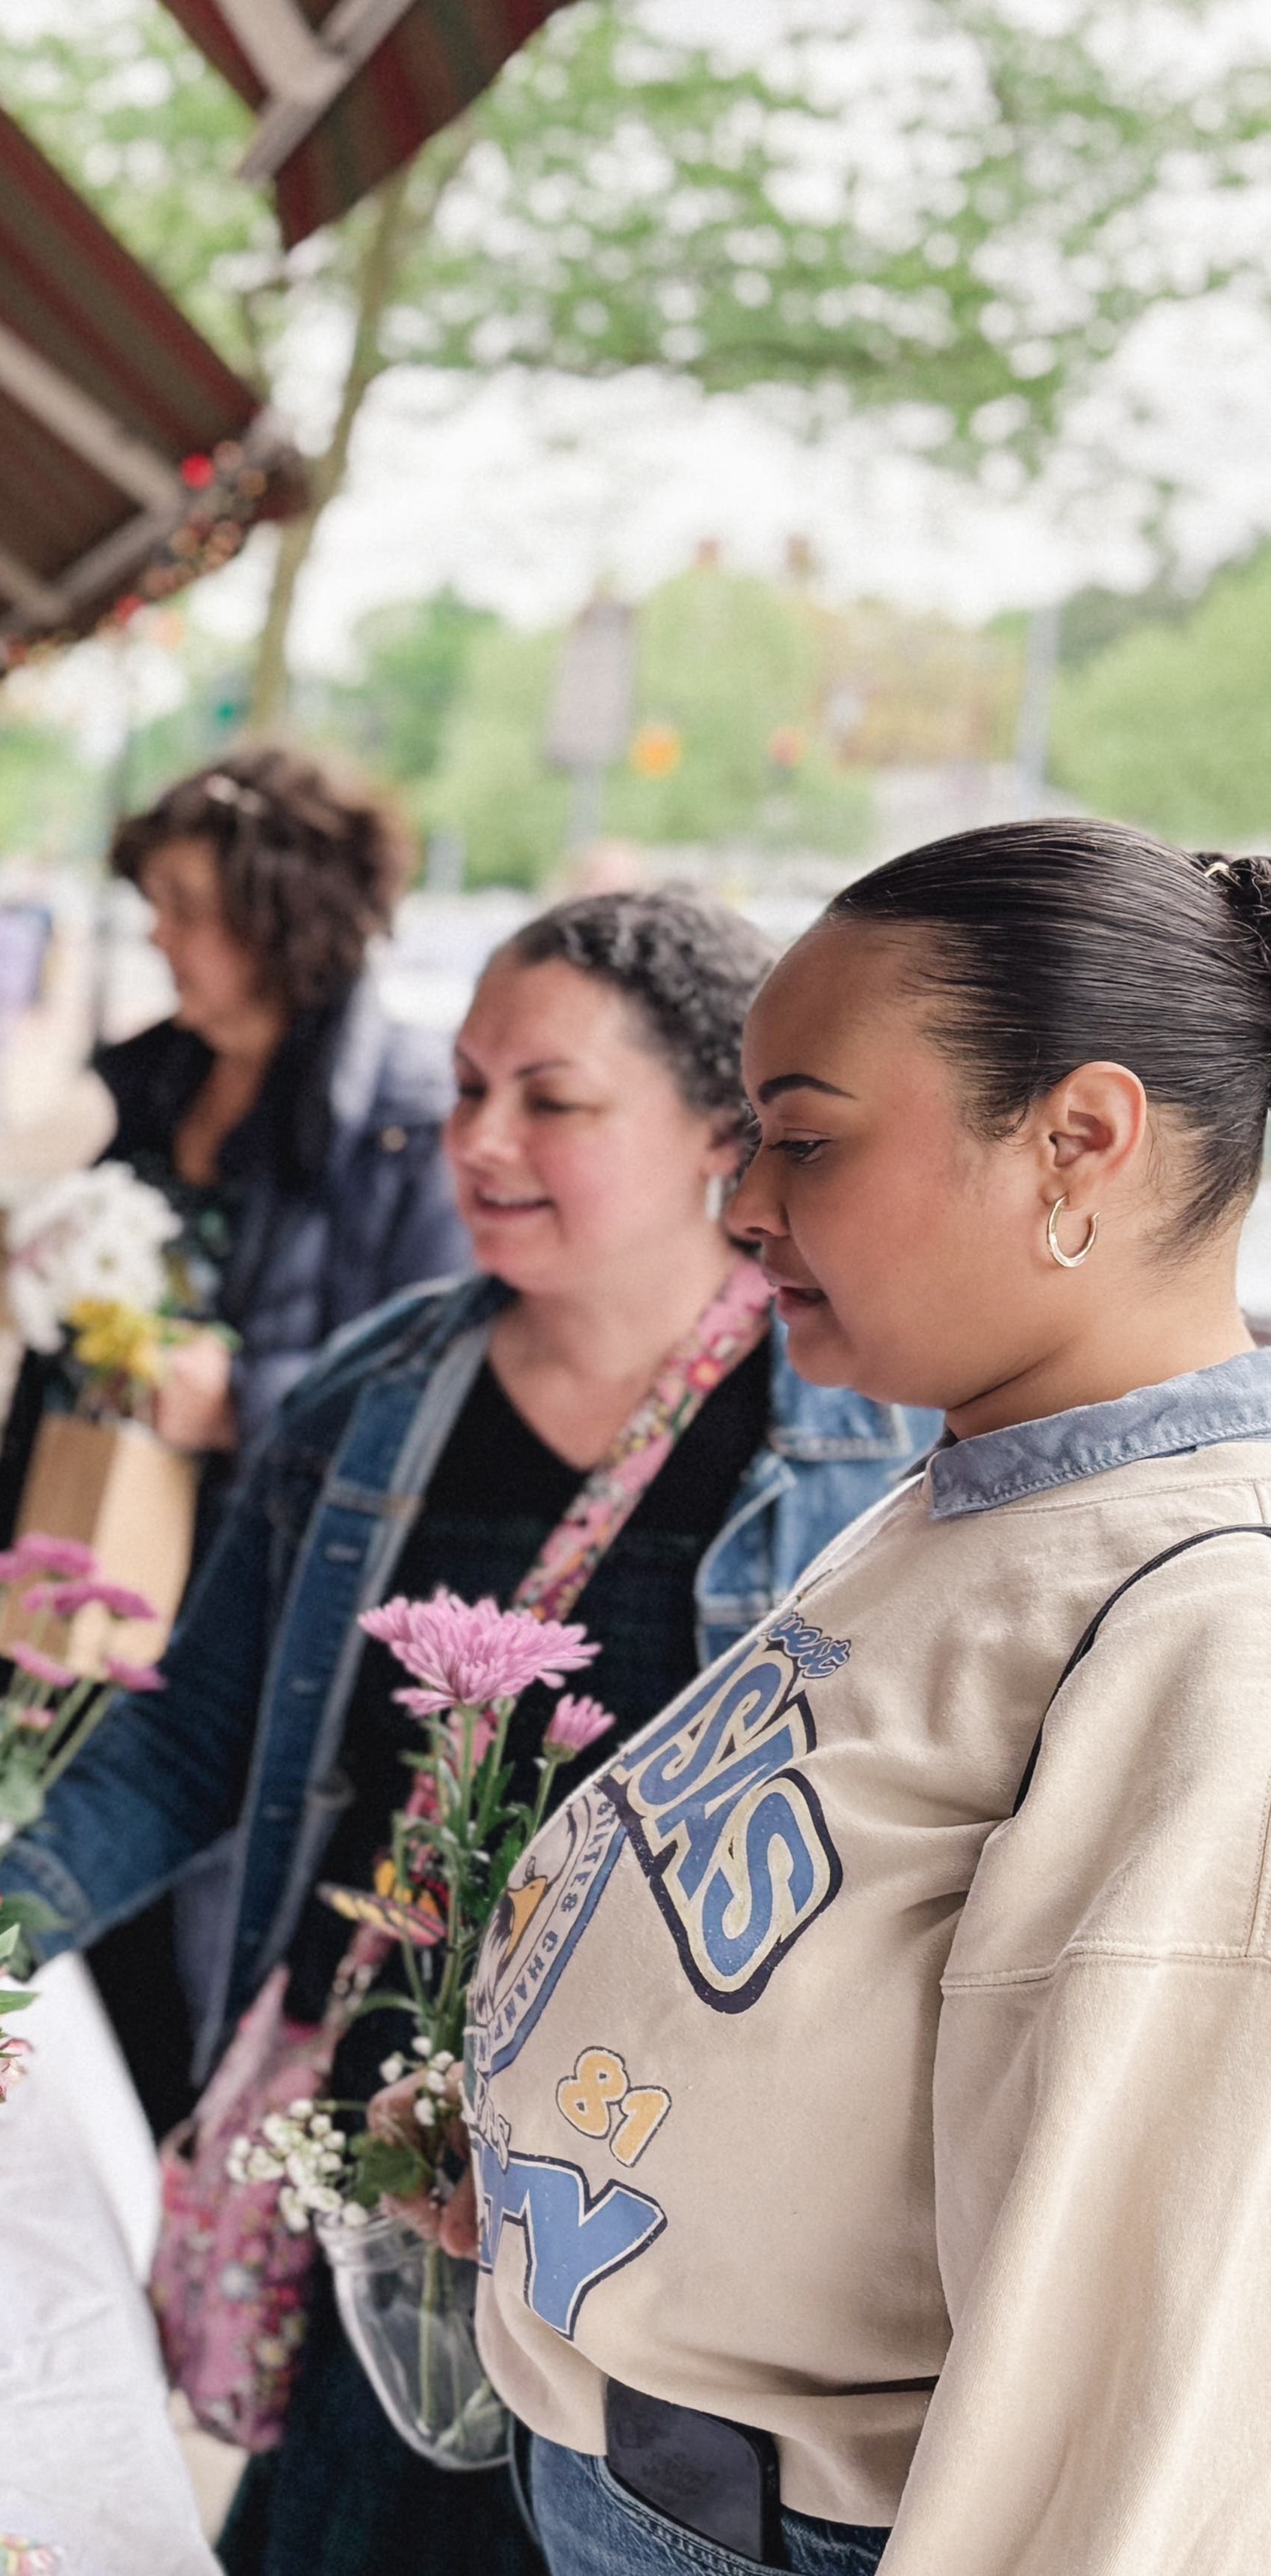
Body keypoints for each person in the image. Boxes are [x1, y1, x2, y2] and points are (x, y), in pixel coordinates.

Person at [0, 891, 937, 2576]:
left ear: (721, 1127)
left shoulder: (873, 1441)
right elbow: (190, 1734)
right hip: (394, 2178)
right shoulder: (372, 1396)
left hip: (675, 2251)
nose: (479, 1140)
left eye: (549, 1098)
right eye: (465, 1087)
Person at [449, 825, 1271, 2576]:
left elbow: (1132, 2382)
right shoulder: (980, 1487)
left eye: (804, 1140)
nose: (744, 1204)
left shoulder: (1209, 1622)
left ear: (1078, 1141)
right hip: (630, 2476)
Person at [0, 749, 474, 2129]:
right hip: (85, 1565)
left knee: (173, 1993)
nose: (157, 935)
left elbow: (431, 1371)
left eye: (186, 905)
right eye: (151, 902)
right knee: (49, 1900)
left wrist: (243, 1396)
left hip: (244, 1619)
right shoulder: (139, 1083)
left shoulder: (402, 1122)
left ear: (283, 913)